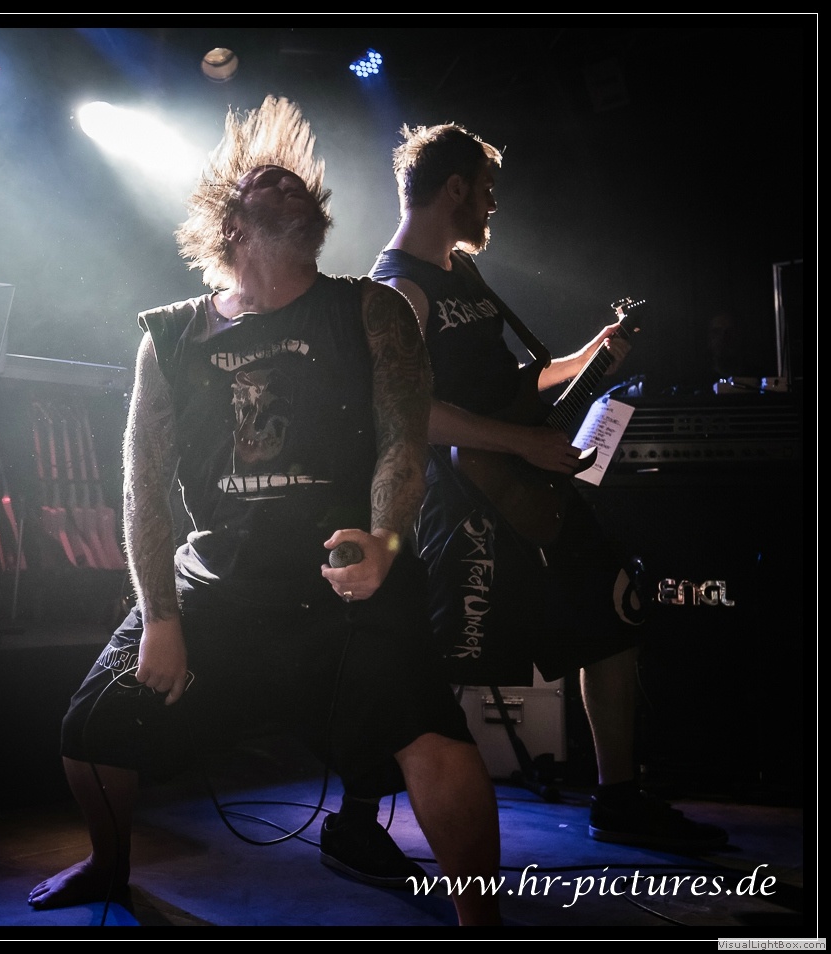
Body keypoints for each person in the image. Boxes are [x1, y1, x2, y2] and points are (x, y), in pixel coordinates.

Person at [26, 98, 503, 927]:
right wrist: (161, 618)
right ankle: (109, 865)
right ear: (230, 224)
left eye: (298, 184)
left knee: (430, 734)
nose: (289, 185)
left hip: (346, 575)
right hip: (222, 580)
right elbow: (143, 485)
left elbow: (403, 442)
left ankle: (480, 919)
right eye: (266, 182)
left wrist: (386, 542)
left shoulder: (371, 309)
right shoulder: (170, 337)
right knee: (89, 726)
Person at [354, 121, 728, 857]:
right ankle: (358, 816)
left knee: (613, 611)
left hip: (529, 486)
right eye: (486, 190)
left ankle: (618, 797)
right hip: (461, 504)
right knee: (436, 660)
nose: (492, 206)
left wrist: (589, 356)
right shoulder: (399, 289)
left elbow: (512, 384)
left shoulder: (464, 274)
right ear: (454, 188)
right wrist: (523, 441)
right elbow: (407, 411)